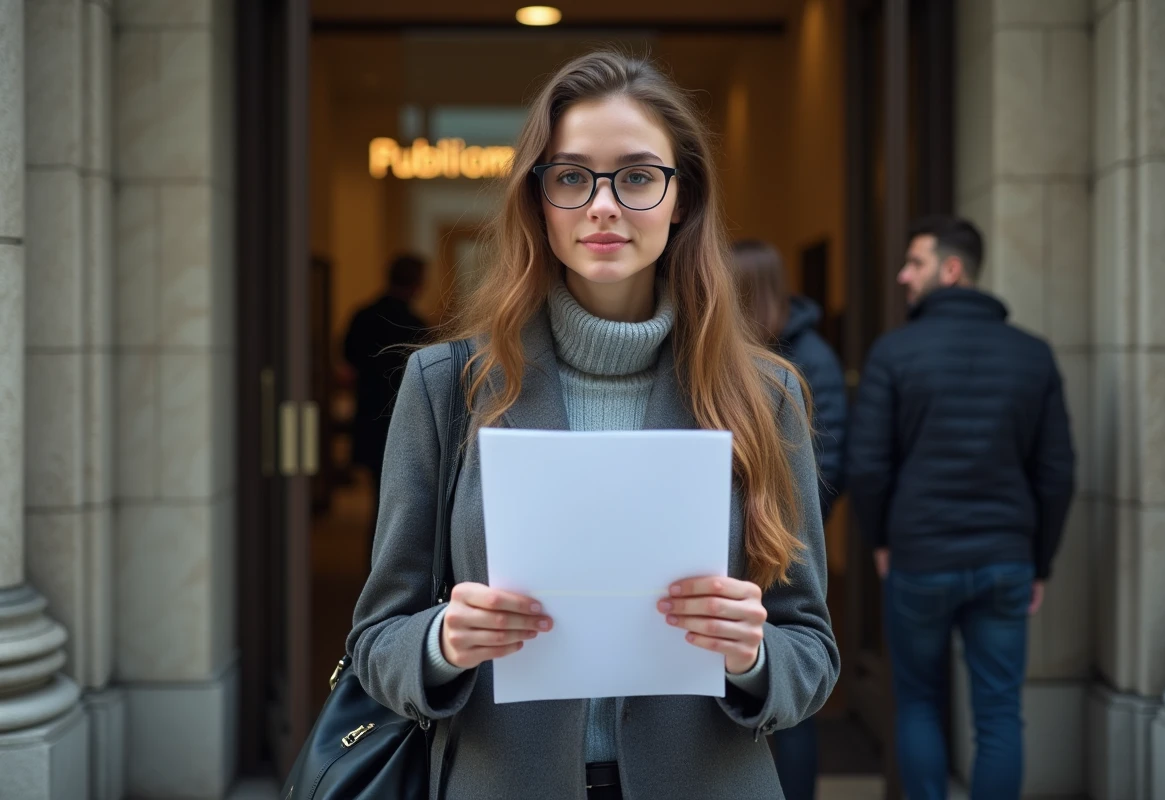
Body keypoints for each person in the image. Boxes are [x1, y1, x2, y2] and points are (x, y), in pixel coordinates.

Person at [347, 51, 840, 800]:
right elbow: (375, 642)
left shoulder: (763, 395)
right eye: (573, 177)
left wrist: (751, 653)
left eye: (637, 176)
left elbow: (811, 653)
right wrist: (442, 642)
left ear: (681, 200)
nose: (603, 205)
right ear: (538, 201)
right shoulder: (447, 387)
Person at [846, 215, 1076, 800]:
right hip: (1006, 559)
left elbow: (868, 466)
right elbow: (1056, 472)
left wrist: (879, 541)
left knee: (918, 701)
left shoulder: (894, 353)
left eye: (915, 263)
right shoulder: (1033, 355)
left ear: (951, 270)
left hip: (919, 557)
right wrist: (1039, 561)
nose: (903, 274)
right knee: (999, 712)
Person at [731, 239, 848, 800]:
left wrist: (784, 533)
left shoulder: (805, 362)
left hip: (783, 547)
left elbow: (830, 459)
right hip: (739, 551)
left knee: (786, 690)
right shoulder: (718, 357)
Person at [342, 254, 429, 560]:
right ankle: (385, 569)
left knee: (379, 500)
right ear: (418, 284)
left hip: (368, 416)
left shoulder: (363, 316)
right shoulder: (416, 326)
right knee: (400, 502)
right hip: (404, 420)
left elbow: (348, 363)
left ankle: (375, 568)